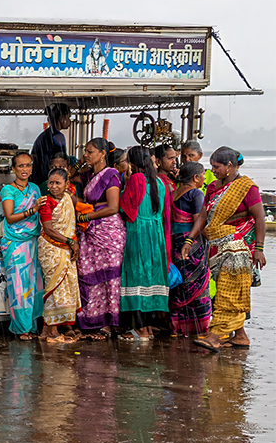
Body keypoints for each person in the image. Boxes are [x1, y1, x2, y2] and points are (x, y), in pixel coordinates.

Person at [194, 146, 266, 351]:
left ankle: (216, 336)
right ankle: (240, 336)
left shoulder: (247, 187)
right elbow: (204, 216)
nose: (213, 170)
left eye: (216, 167)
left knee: (229, 290)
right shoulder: (212, 188)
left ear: (230, 166)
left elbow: (259, 217)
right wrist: (191, 239)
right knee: (233, 289)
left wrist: (259, 248)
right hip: (218, 246)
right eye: (212, 166)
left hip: (239, 247)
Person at [117, 145, 170, 339]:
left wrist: (125, 184)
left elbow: (126, 210)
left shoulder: (136, 179)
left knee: (136, 278)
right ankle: (147, 327)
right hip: (155, 236)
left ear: (131, 163)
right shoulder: (160, 182)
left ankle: (140, 330)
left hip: (138, 232)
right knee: (150, 280)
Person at [75, 138, 124, 339]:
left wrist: (86, 216)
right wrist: (81, 163)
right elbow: (67, 176)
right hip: (92, 232)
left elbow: (113, 207)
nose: (86, 155)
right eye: (85, 151)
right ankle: (92, 319)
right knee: (90, 276)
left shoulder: (111, 175)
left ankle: (109, 323)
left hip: (108, 232)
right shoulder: (90, 174)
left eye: (90, 152)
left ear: (103, 154)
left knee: (109, 279)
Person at [0, 152, 44, 340]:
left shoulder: (35, 189)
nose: (24, 169)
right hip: (15, 244)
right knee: (18, 287)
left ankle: (32, 327)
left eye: (27, 165)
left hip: (32, 242)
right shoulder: (7, 190)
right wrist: (33, 209)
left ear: (32, 168)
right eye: (20, 166)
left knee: (34, 286)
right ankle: (21, 328)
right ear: (13, 169)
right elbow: (10, 217)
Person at [37, 168, 81, 341]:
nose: (54, 186)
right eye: (51, 183)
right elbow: (48, 229)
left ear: (66, 185)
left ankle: (47, 331)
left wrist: (72, 244)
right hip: (51, 248)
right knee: (53, 288)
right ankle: (53, 331)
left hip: (66, 248)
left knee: (63, 287)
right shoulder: (45, 202)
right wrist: (70, 242)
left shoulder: (68, 200)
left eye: (58, 183)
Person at [168, 162, 211, 337]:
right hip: (190, 244)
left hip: (174, 243)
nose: (204, 178)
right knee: (197, 284)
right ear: (195, 178)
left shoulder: (172, 194)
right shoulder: (196, 194)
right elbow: (199, 221)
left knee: (179, 284)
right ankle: (200, 328)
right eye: (203, 175)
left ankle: (177, 327)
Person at [32, 103, 71, 186]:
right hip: (50, 180)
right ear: (61, 119)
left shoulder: (43, 136)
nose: (69, 121)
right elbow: (61, 160)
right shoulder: (58, 136)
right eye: (68, 118)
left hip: (38, 180)